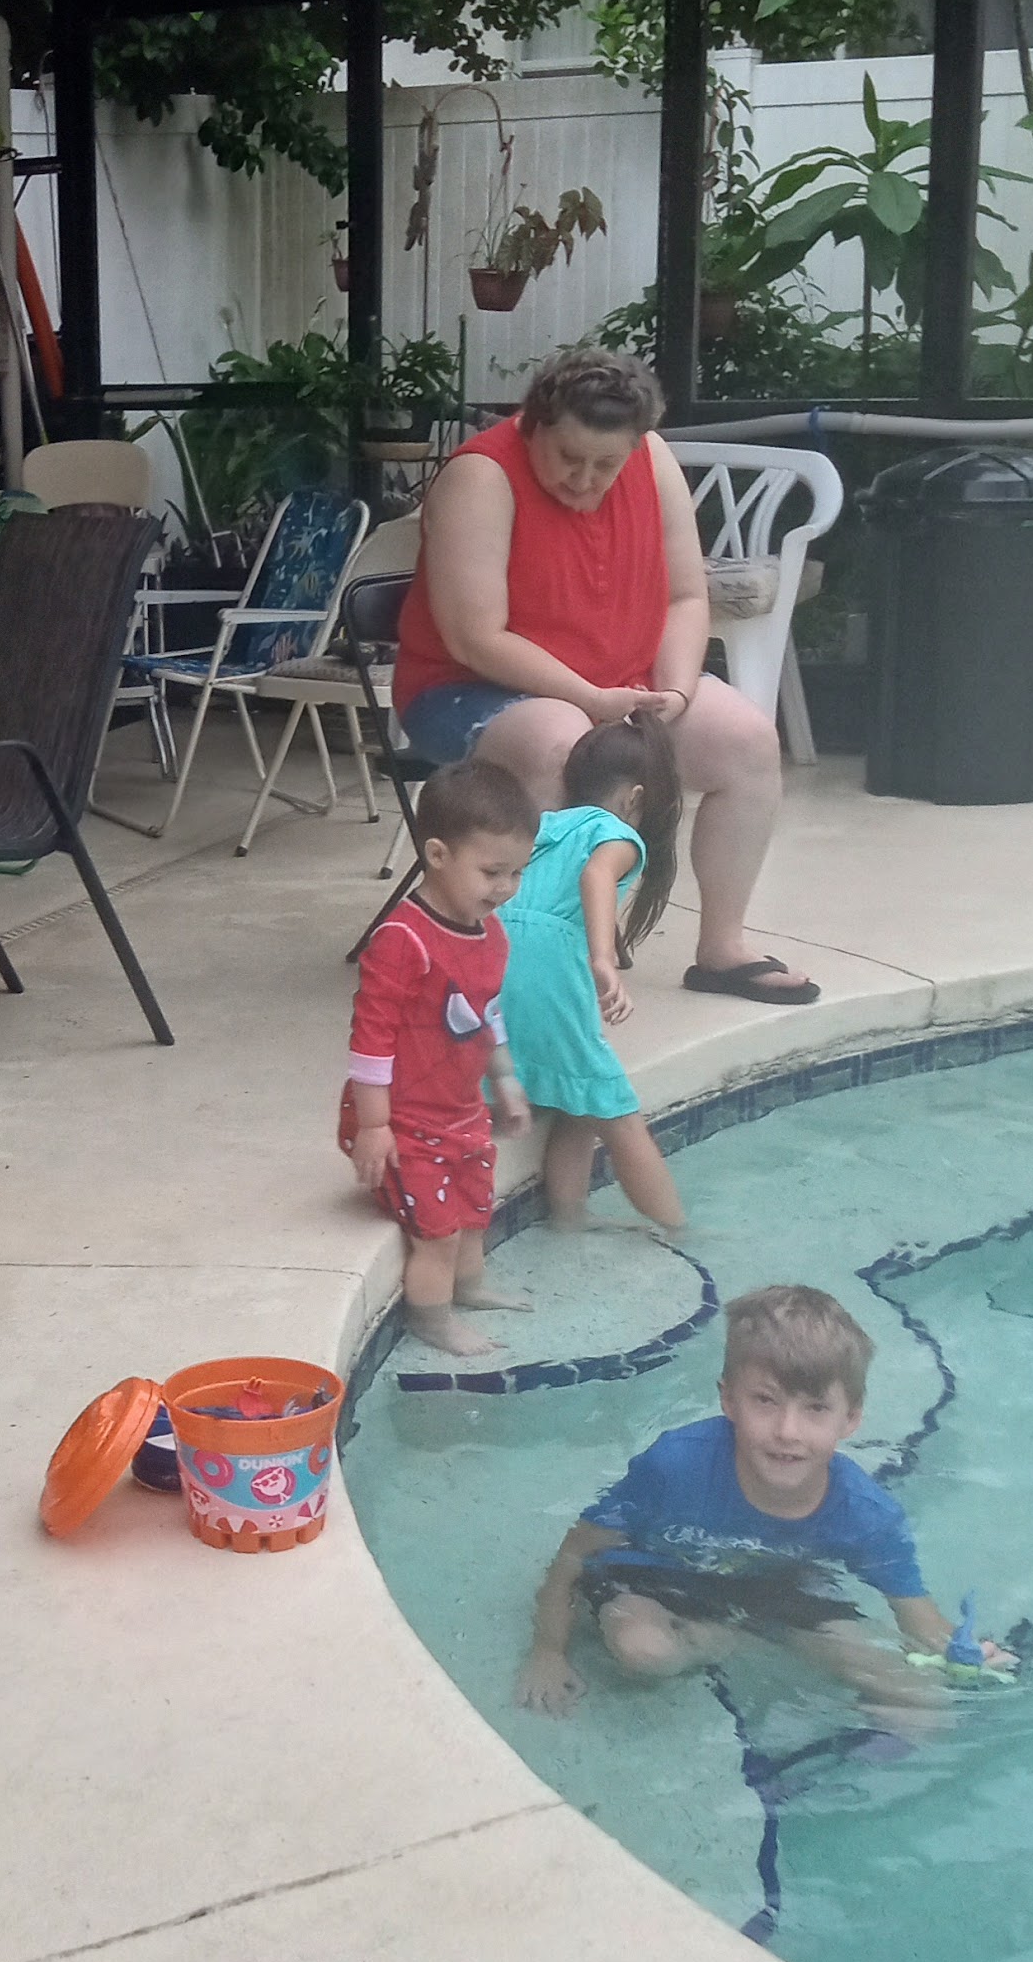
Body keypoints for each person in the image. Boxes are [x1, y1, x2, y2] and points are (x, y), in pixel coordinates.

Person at [392, 343, 817, 1007]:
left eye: (606, 465)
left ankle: (722, 947)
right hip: (470, 690)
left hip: (618, 682)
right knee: (560, 740)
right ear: (533, 425)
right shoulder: (481, 474)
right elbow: (474, 636)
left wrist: (674, 691)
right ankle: (538, 958)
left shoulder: (654, 462)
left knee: (747, 741)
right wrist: (590, 699)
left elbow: (684, 596)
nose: (585, 480)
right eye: (568, 459)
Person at [517, 1283, 1014, 1721]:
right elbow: (577, 1552)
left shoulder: (866, 1515)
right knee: (644, 1652)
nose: (787, 1432)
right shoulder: (675, 1466)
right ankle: (729, 1639)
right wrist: (548, 1650)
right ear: (728, 1400)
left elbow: (920, 1621)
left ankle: (738, 1641)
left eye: (816, 1408)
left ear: (851, 1419)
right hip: (652, 1576)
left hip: (770, 1588)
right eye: (765, 1400)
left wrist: (964, 1652)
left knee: (926, 1705)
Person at [342, 755, 537, 1357]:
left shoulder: (491, 933)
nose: (504, 888)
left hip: (459, 1111)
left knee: (478, 1209)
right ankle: (433, 1319)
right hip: (405, 1121)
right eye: (492, 872)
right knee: (438, 1235)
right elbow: (370, 1043)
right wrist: (374, 1128)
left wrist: (505, 1080)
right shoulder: (403, 941)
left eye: (516, 873)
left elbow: (487, 1013)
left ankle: (471, 1289)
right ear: (438, 855)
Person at [496, 711, 689, 1247]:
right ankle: (683, 1230)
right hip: (545, 966)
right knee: (615, 1109)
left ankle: (569, 1217)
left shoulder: (544, 824)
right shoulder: (619, 834)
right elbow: (596, 875)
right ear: (635, 798)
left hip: (488, 954)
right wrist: (603, 958)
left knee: (576, 1099)